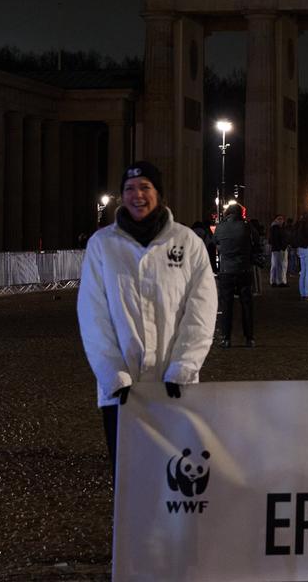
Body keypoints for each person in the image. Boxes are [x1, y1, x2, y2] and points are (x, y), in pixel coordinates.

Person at [77, 160, 216, 468]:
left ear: (159, 194)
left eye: (145, 187)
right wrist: (113, 375)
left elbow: (201, 311)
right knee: (128, 484)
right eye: (129, 189)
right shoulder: (102, 245)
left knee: (175, 482)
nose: (137, 195)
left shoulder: (188, 243)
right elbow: (93, 315)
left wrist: (183, 367)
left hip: (175, 386)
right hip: (121, 390)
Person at [212, 204, 258, 347]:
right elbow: (256, 243)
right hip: (244, 269)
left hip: (226, 270)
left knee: (226, 305)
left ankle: (226, 338)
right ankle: (249, 338)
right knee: (246, 305)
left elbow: (214, 243)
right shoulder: (247, 227)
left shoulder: (220, 227)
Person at [268, 216, 289, 288]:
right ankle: (280, 281)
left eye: (282, 219)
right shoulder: (276, 228)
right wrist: (282, 247)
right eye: (279, 219)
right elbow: (276, 239)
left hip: (277, 249)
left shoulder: (275, 228)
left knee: (275, 266)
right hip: (279, 249)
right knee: (281, 266)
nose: (281, 220)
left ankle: (274, 281)